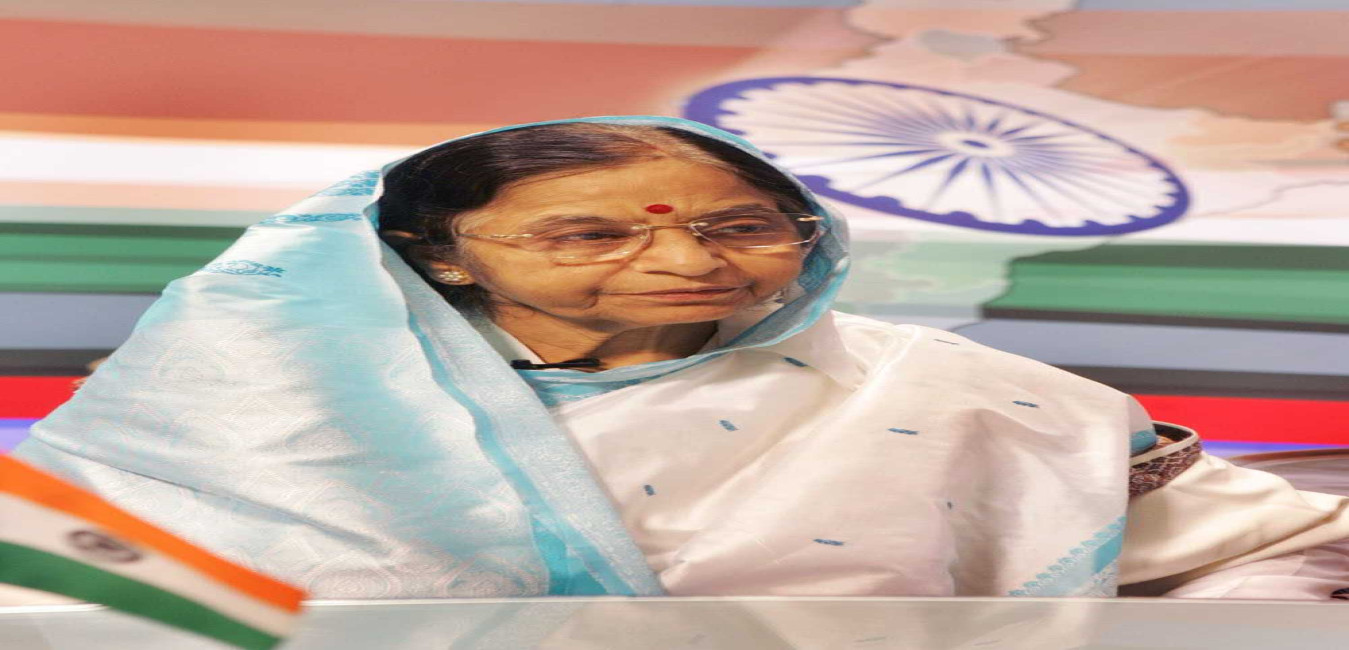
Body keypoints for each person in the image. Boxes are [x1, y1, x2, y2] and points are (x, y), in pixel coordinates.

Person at [12, 117, 1349, 600]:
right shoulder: (260, 412)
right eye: (593, 232)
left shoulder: (953, 396)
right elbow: (85, 591)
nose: (685, 262)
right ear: (443, 253)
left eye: (742, 227)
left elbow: (1281, 554)